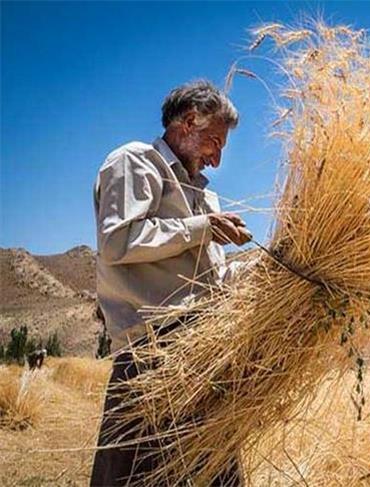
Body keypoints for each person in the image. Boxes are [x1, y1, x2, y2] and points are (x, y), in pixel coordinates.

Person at [90, 80, 252, 486]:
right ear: (188, 121)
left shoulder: (205, 199)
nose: (216, 159)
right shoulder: (136, 163)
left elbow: (214, 282)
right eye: (213, 142)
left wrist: (271, 268)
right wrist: (202, 227)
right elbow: (117, 241)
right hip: (150, 359)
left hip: (201, 359)